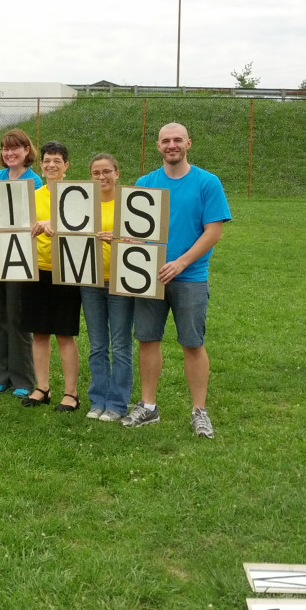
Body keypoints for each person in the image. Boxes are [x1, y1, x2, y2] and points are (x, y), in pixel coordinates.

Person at [121, 123, 231, 438]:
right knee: (147, 339)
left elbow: (213, 232)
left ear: (188, 144)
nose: (172, 145)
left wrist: (181, 263)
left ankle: (199, 411)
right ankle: (148, 406)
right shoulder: (145, 183)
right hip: (149, 276)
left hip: (190, 277)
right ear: (158, 146)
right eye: (166, 140)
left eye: (177, 140)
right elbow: (135, 231)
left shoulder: (207, 183)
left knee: (193, 343)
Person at [0, 129, 42, 398]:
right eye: (5, 148)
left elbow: (37, 220)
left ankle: (23, 378)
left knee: (17, 318)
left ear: (27, 150)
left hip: (21, 256)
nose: (9, 153)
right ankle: (0, 375)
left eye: (15, 148)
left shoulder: (35, 182)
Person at [21, 140, 83, 411]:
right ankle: (42, 387)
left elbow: (84, 227)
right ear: (41, 164)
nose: (51, 165)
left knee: (65, 334)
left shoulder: (78, 195)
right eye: (46, 160)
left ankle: (71, 393)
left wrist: (52, 225)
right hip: (37, 269)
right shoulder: (33, 195)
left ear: (66, 166)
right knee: (40, 333)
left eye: (57, 161)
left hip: (67, 269)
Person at [80, 153, 135, 422]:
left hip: (120, 282)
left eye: (106, 171)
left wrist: (119, 239)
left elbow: (144, 240)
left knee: (120, 346)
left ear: (117, 173)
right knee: (97, 345)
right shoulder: (82, 204)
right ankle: (97, 399)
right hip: (90, 281)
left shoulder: (129, 204)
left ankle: (117, 403)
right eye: (96, 173)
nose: (102, 177)